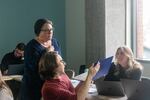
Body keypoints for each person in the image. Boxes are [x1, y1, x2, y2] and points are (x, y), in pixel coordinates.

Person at [20, 18, 61, 100]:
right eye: (46, 30)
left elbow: (59, 62)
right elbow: (35, 71)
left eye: (51, 29)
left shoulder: (55, 42)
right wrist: (47, 54)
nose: (50, 32)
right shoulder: (31, 47)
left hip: (52, 85)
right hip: (34, 88)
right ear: (38, 31)